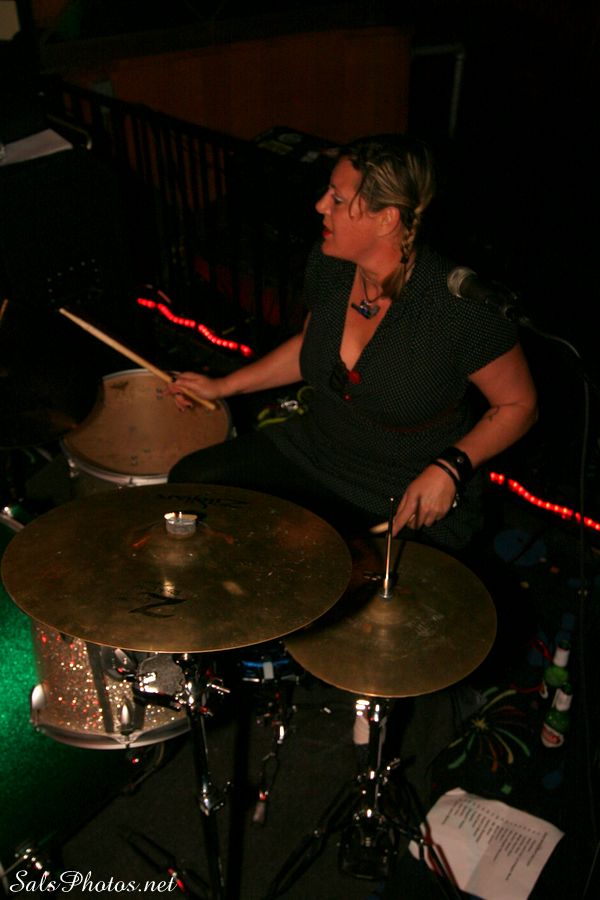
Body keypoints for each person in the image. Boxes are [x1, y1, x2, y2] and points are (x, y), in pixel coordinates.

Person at [167, 134, 537, 554]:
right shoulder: (330, 266)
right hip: (315, 450)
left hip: (407, 485)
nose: (320, 205)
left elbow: (519, 406)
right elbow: (311, 345)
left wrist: (451, 468)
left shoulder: (458, 308)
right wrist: (221, 387)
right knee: (190, 486)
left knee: (328, 573)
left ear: (387, 219)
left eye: (338, 199)